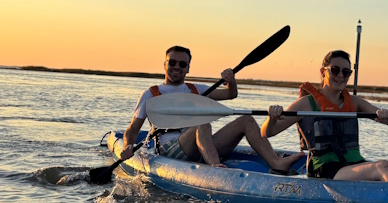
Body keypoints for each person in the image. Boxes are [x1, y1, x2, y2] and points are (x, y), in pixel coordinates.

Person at [261, 50, 388, 182]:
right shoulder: (307, 103)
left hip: (352, 165)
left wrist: (385, 115)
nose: (340, 76)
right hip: (325, 170)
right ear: (323, 73)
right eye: (335, 70)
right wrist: (272, 118)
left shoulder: (354, 102)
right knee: (381, 166)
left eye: (346, 72)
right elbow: (267, 133)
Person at [120, 45, 304, 170]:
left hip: (201, 145)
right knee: (203, 120)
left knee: (246, 120)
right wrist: (127, 146)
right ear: (165, 65)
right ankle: (216, 169)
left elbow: (230, 94)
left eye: (182, 64)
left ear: (188, 68)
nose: (177, 67)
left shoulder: (195, 89)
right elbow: (132, 130)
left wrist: (231, 81)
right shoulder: (150, 94)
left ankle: (275, 163)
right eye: (172, 62)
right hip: (170, 150)